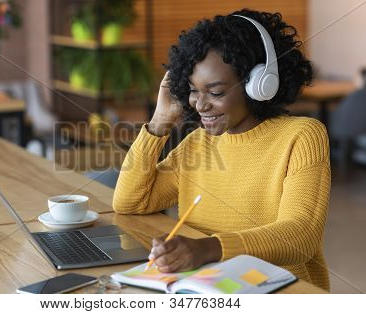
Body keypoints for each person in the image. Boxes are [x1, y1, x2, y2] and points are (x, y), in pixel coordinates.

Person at [113, 8, 331, 291]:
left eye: (215, 92)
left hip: (278, 288)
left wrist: (207, 248)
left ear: (260, 84)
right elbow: (130, 203)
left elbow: (300, 237)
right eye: (193, 90)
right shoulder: (197, 143)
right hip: (210, 284)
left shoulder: (301, 136)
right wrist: (159, 122)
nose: (200, 104)